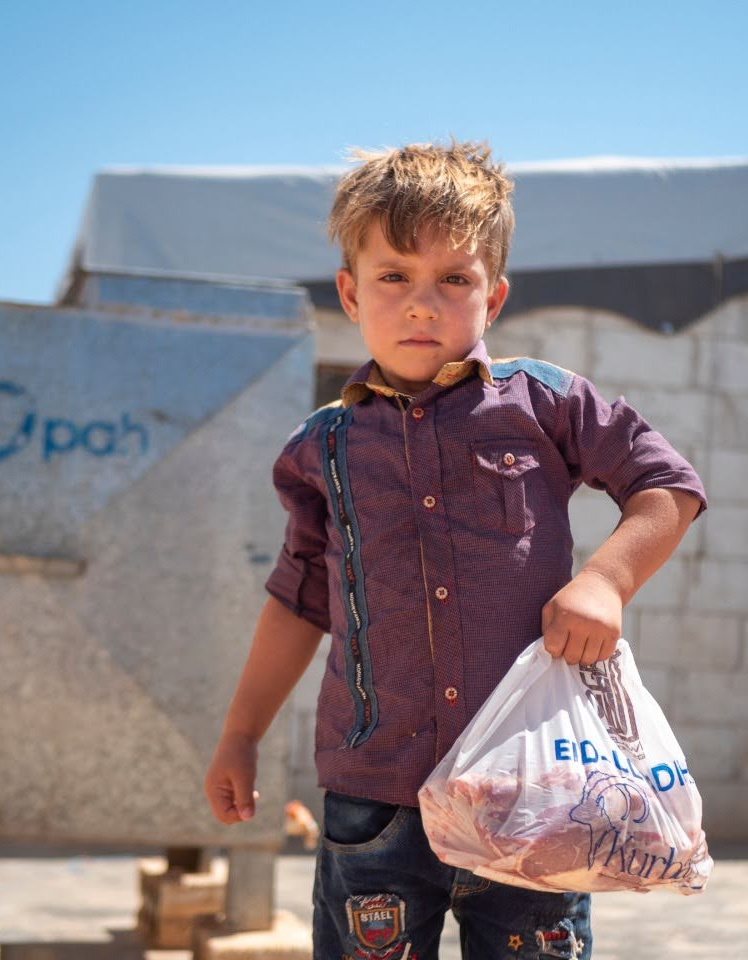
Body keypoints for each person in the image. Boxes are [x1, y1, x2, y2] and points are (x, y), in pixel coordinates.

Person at [204, 139, 707, 960]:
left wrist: (606, 581)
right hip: (374, 804)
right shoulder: (322, 448)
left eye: (454, 280)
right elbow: (300, 599)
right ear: (349, 292)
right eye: (393, 276)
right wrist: (241, 732)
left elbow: (667, 484)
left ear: (493, 296)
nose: (421, 305)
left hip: (534, 795)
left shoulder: (546, 403)